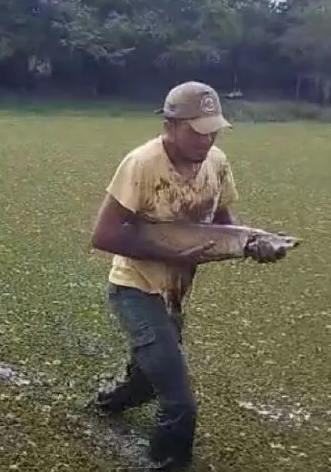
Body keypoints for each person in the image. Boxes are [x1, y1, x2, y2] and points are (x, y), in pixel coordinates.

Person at [88, 81, 286, 470]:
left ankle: (108, 402)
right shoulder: (142, 164)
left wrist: (252, 243)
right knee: (179, 402)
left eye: (213, 129)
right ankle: (169, 460)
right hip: (134, 288)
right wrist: (173, 250)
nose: (207, 139)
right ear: (171, 124)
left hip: (175, 292)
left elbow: (224, 227)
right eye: (198, 130)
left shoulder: (217, 163)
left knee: (152, 373)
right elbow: (104, 235)